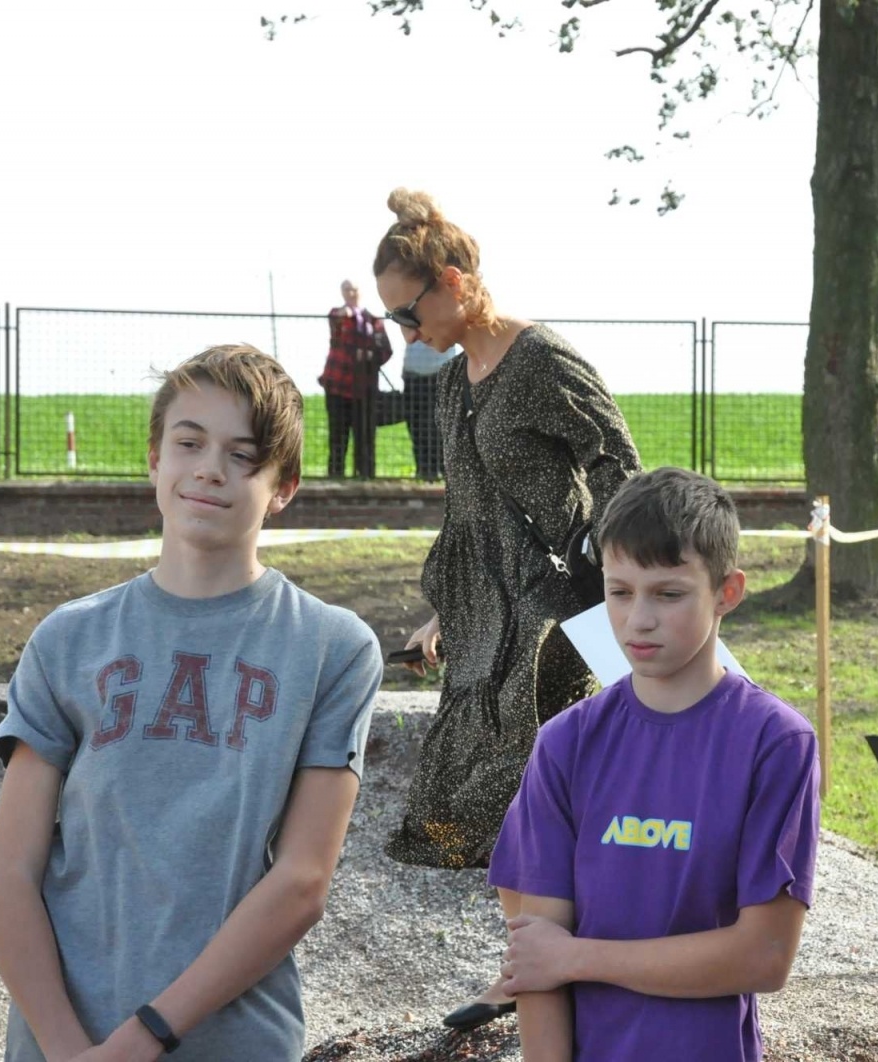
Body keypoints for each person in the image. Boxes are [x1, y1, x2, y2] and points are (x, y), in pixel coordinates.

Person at [0, 344, 384, 1061]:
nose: (208, 469)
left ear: (284, 486)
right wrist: (67, 1049)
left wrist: (147, 1035)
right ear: (154, 460)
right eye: (188, 443)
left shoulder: (332, 647)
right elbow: (10, 874)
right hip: (61, 1039)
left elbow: (301, 882)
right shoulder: (67, 640)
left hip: (234, 1042)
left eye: (242, 455)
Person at [370, 188, 641, 1028]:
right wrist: (444, 615)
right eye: (391, 320)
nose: (404, 334)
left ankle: (552, 966)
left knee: (523, 778)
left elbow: (620, 464)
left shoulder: (541, 360)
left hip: (559, 613)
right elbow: (470, 515)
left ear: (452, 283)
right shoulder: (455, 382)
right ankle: (536, 964)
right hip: (490, 620)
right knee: (460, 795)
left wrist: (619, 581)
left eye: (408, 313)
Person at [487, 466, 820, 1062]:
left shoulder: (774, 742)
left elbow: (765, 956)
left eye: (668, 594)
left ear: (727, 593)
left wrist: (580, 957)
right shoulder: (566, 743)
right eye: (620, 592)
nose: (638, 618)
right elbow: (537, 960)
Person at [320, 279, 393, 479]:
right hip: (338, 386)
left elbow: (385, 350)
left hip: (364, 388)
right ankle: (336, 476)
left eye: (354, 289)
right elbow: (336, 326)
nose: (351, 293)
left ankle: (366, 475)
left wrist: (369, 355)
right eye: (347, 289)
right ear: (342, 292)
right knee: (338, 435)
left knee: (365, 435)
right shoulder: (337, 315)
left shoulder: (373, 320)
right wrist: (347, 315)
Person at [401, 337, 455, 480]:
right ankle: (424, 469)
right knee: (415, 425)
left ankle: (444, 470)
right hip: (413, 373)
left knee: (440, 426)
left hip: (441, 372)